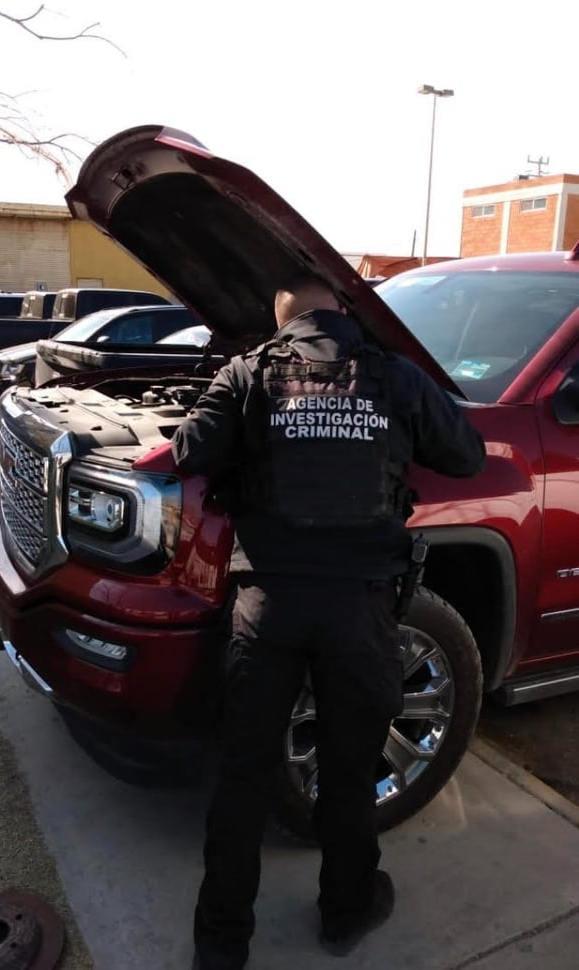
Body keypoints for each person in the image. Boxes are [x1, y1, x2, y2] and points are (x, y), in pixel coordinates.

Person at [171, 274, 486, 970]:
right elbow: (465, 456)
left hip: (268, 606)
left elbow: (190, 453)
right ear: (341, 311)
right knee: (347, 773)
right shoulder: (395, 376)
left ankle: (220, 945)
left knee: (243, 775)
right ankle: (345, 913)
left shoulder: (247, 372)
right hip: (360, 609)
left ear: (280, 318)